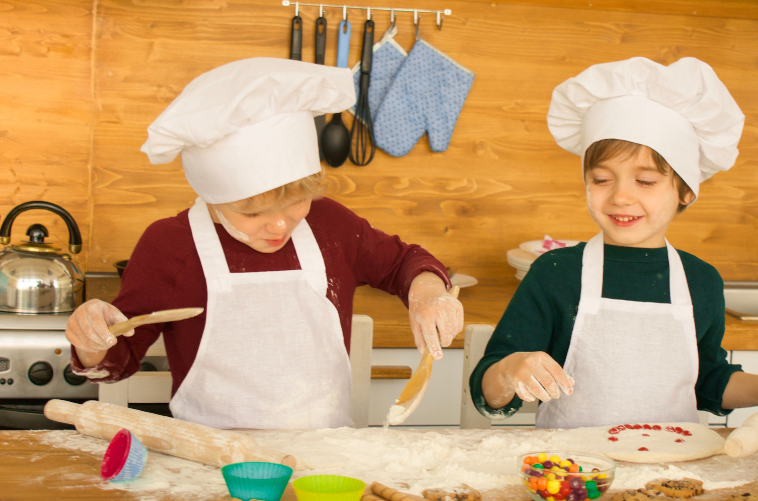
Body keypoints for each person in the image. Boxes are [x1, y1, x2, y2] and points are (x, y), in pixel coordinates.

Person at [66, 58, 463, 430]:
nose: (278, 224)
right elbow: (120, 359)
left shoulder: (331, 226)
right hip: (210, 461)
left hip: (323, 457)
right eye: (251, 212)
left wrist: (427, 293)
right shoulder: (171, 244)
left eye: (295, 204)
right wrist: (91, 342)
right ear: (212, 195)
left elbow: (403, 263)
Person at [469, 57, 758, 428]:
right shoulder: (557, 273)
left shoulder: (701, 280)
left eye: (644, 181)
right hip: (574, 475)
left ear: (685, 191)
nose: (621, 197)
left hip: (671, 473)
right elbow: (488, 391)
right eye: (601, 179)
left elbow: (708, 381)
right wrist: (511, 369)